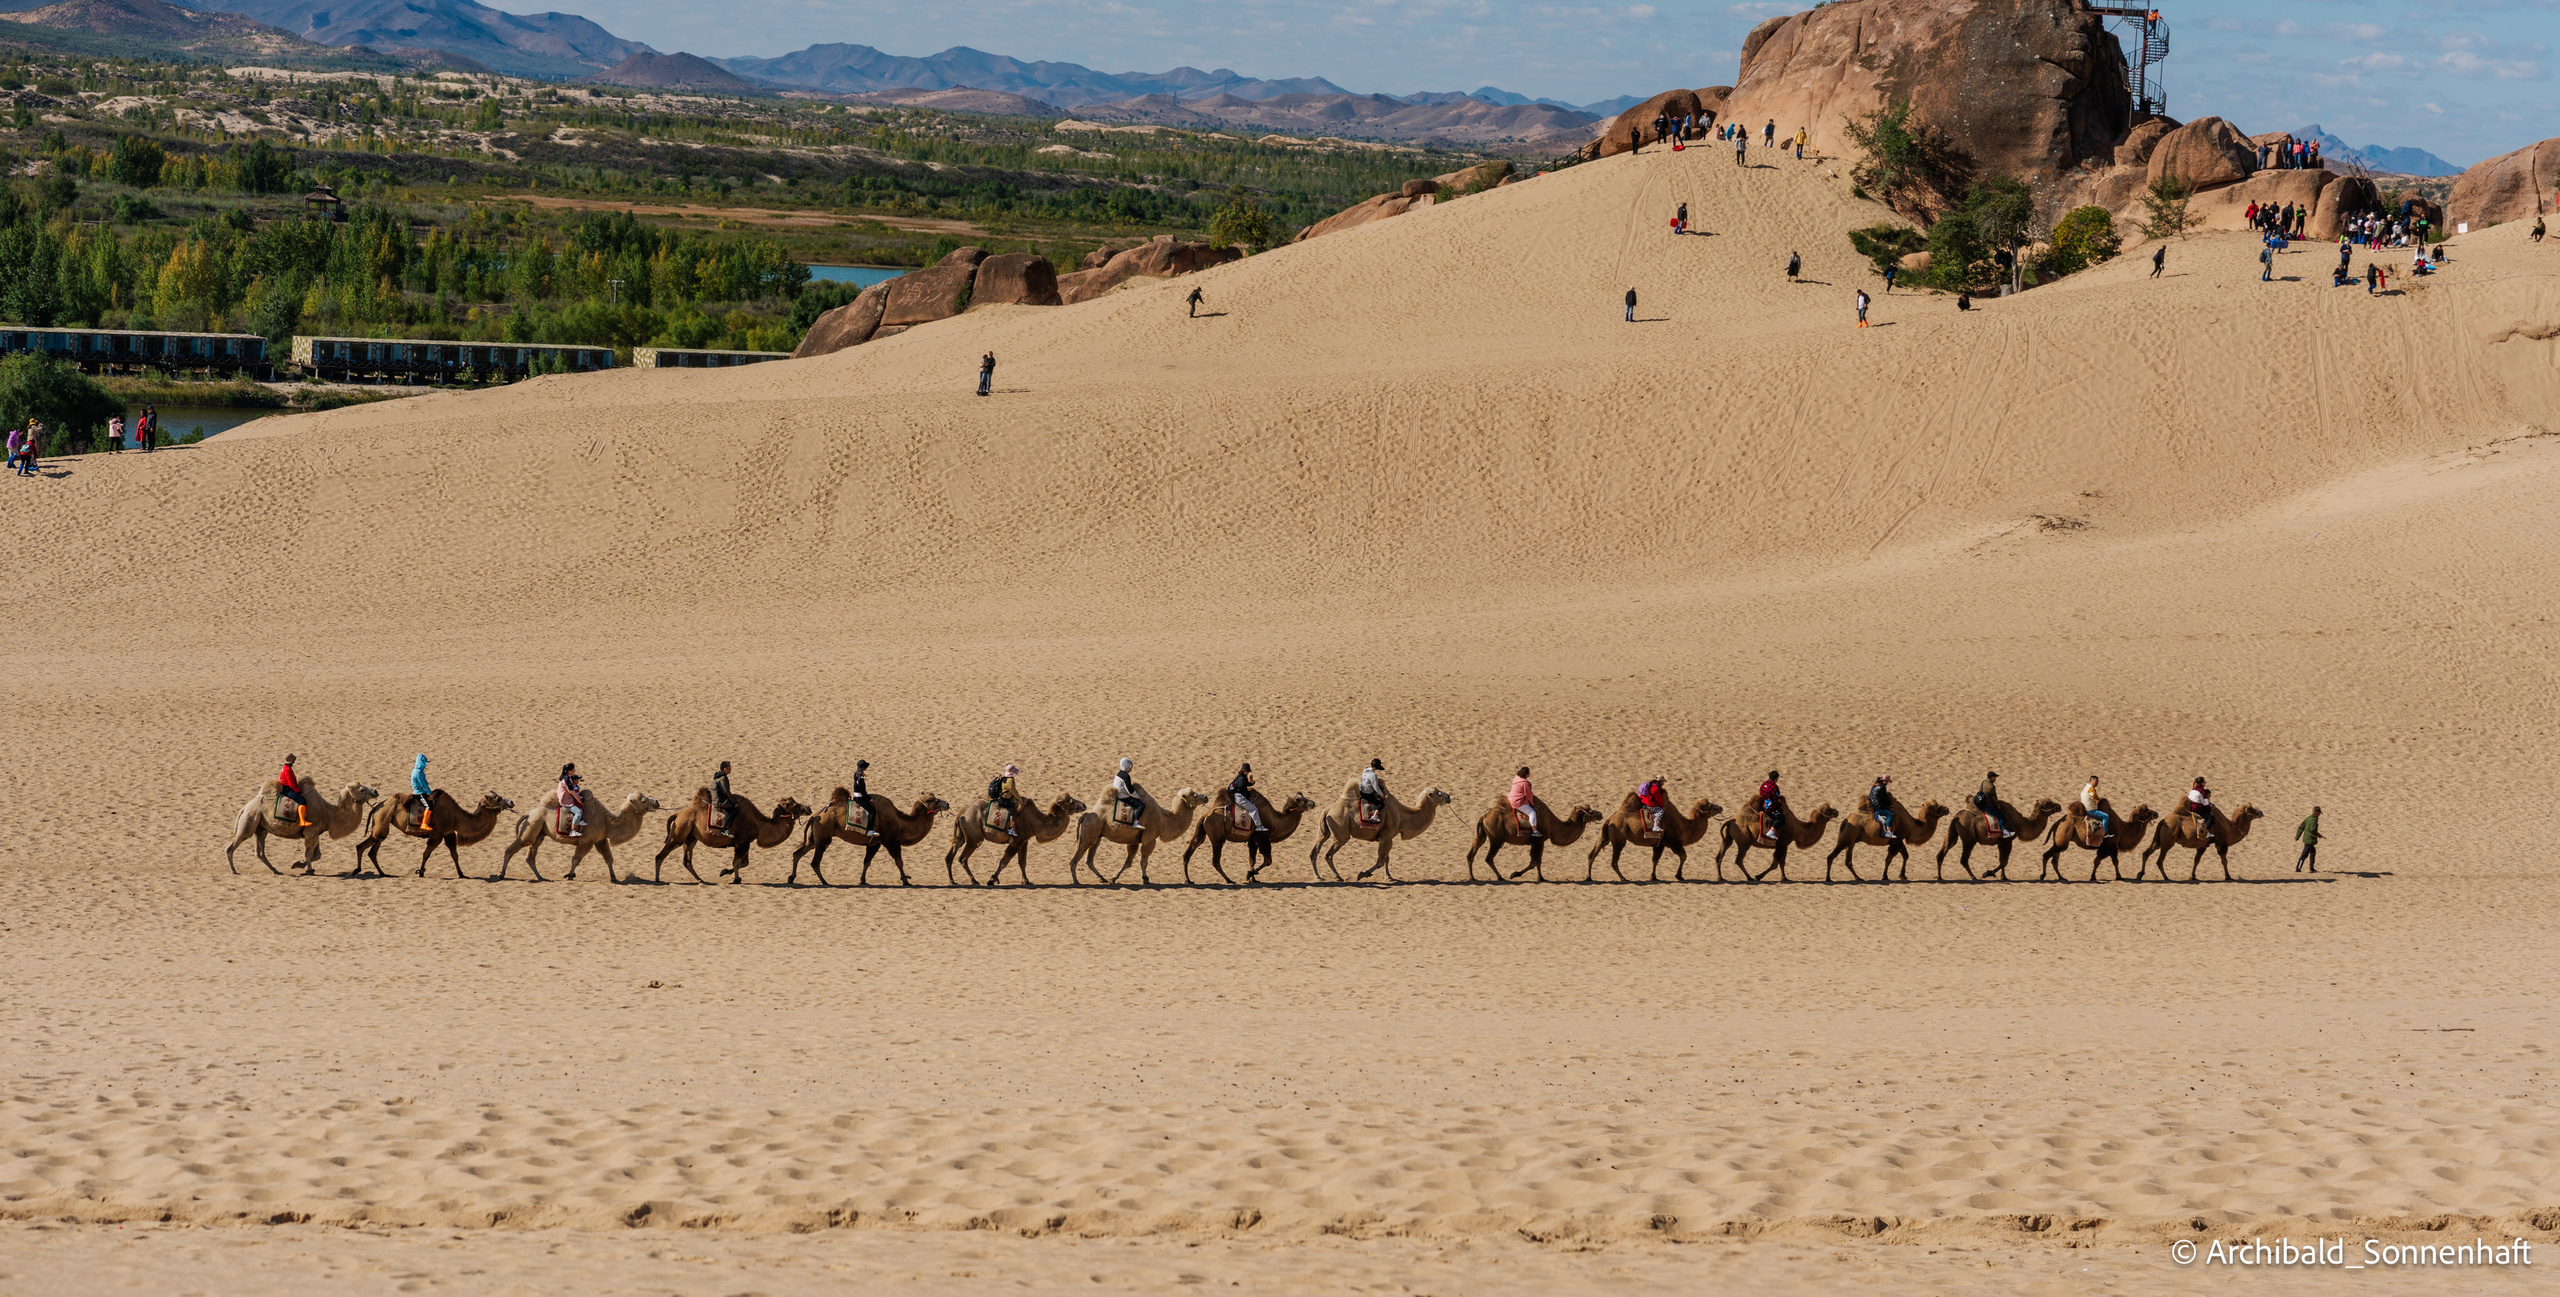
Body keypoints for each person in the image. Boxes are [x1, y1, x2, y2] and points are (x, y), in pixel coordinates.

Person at [276, 753, 310, 828]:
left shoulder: (285, 767)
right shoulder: (287, 769)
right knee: (302, 801)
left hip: (288, 788)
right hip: (288, 789)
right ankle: (302, 821)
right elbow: (291, 783)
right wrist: (299, 792)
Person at [1229, 763, 1264, 835]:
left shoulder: (1240, 777)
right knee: (1254, 809)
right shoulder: (1242, 779)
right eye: (1246, 771)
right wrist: (1248, 797)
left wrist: (1252, 781)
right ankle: (1258, 826)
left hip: (1238, 796)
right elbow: (1244, 790)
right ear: (1243, 771)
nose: (1247, 772)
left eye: (1248, 771)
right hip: (1240, 798)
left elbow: (1247, 784)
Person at [989, 764, 1022, 836]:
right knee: (1013, 812)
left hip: (1001, 796)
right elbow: (1013, 791)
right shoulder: (1010, 781)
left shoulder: (1004, 778)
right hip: (1005, 800)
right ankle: (1010, 829)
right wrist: (1020, 799)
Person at [1507, 766, 1539, 837]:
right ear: (1527, 774)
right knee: (1532, 813)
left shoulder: (1516, 779)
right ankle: (1534, 830)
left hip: (1511, 798)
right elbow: (1528, 795)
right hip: (1517, 801)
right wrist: (1531, 803)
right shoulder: (1525, 783)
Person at [1972, 771, 2006, 838]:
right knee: (2000, 815)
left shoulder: (1983, 782)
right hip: (1987, 806)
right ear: (1992, 777)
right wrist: (1997, 806)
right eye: (1995, 777)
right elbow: (1994, 798)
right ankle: (2005, 832)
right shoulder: (1992, 786)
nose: (1995, 779)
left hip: (1980, 803)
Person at [1113, 757, 1144, 828]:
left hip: (1118, 795)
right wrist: (1139, 797)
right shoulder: (1126, 776)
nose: (1131, 769)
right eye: (1130, 766)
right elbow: (1130, 791)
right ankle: (1135, 823)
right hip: (1123, 797)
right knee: (1141, 805)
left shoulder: (1119, 774)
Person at [557, 762, 586, 838]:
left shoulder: (568, 778)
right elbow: (571, 791)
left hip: (568, 798)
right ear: (569, 771)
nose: (574, 770)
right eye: (573, 769)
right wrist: (579, 800)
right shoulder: (566, 779)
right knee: (579, 812)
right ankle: (572, 831)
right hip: (566, 801)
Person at [410, 753, 435, 831]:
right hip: (419, 793)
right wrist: (430, 793)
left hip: (420, 791)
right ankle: (424, 823)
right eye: (424, 763)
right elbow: (423, 785)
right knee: (429, 806)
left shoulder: (416, 770)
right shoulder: (419, 773)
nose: (425, 765)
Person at [1358, 758, 1387, 824]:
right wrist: (1382, 795)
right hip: (1367, 793)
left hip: (1362, 791)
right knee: (1381, 803)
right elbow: (1376, 787)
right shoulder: (1373, 775)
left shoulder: (1365, 771)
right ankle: (1374, 816)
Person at [1867, 775, 1897, 839]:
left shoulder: (1875, 785)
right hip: (1878, 806)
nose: (1887, 783)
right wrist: (1888, 805)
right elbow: (1884, 799)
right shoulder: (1882, 787)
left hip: (1873, 804)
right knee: (1890, 815)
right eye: (1887, 782)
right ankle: (1888, 832)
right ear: (1884, 781)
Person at [1755, 770, 1783, 840]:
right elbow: (1777, 800)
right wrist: (1780, 808)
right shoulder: (1774, 787)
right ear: (1776, 779)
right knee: (1781, 818)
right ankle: (1771, 831)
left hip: (1763, 806)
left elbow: (1761, 794)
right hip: (1770, 809)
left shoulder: (1763, 784)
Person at [713, 760, 736, 835]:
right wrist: (734, 802)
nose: (730, 769)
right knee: (733, 810)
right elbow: (726, 792)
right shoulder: (722, 778)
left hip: (719, 799)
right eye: (729, 768)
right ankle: (725, 829)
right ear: (724, 769)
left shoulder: (720, 777)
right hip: (720, 801)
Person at [2295, 806, 2321, 873]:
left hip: (2306, 839)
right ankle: (2298, 868)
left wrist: (2297, 836)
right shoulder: (2314, 820)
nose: (2319, 815)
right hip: (2310, 840)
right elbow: (2312, 829)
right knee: (2304, 855)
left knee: (2313, 852)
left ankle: (2311, 868)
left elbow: (2301, 827)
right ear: (2316, 813)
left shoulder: (2308, 818)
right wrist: (2318, 835)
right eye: (2319, 813)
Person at [849, 759, 872, 831]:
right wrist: (869, 798)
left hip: (855, 797)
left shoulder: (856, 774)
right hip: (860, 798)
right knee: (872, 811)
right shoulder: (861, 778)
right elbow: (863, 791)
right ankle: (870, 830)